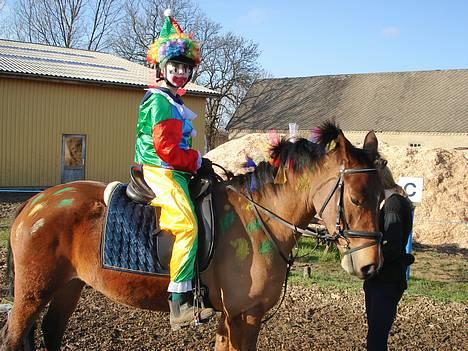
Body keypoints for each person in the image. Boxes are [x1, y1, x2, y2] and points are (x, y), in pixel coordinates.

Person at [134, 9, 215, 330]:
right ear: (161, 68)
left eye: (185, 67)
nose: (180, 72)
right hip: (161, 169)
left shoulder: (174, 100)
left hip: (175, 169)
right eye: (174, 66)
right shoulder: (160, 101)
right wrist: (196, 161)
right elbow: (166, 150)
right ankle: (178, 303)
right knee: (187, 227)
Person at [364, 163, 415, 351]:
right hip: (382, 279)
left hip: (386, 279)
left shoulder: (393, 204)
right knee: (376, 335)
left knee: (376, 339)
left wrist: (368, 261)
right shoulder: (391, 202)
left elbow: (392, 246)